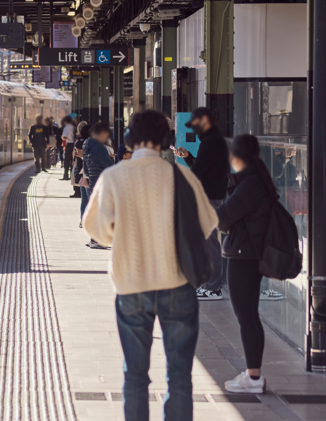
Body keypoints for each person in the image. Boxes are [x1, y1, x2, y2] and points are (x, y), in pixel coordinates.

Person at [84, 110, 218, 421]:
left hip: (131, 286)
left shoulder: (115, 176)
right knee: (180, 377)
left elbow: (96, 229)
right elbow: (209, 223)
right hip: (179, 286)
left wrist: (124, 234)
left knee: (134, 375)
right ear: (167, 140)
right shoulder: (182, 176)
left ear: (129, 139)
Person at [215, 134, 279, 393]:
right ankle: (254, 375)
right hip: (249, 254)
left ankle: (253, 378)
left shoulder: (250, 184)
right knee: (249, 316)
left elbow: (223, 216)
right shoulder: (255, 179)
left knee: (246, 317)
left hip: (244, 256)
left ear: (238, 156)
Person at [173, 107, 229, 300]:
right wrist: (187, 157)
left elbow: (198, 170)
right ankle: (209, 284)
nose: (194, 130)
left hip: (209, 196)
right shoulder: (212, 140)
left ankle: (213, 287)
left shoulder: (212, 142)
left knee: (209, 241)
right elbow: (200, 167)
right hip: (210, 195)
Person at [82, 122, 114, 248]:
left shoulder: (86, 145)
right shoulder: (100, 147)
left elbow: (85, 166)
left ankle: (93, 238)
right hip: (102, 180)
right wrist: (112, 158)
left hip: (92, 181)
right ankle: (97, 239)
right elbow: (108, 165)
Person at [73, 123, 90, 213]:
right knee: (89, 200)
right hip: (88, 175)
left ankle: (82, 220)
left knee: (84, 200)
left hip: (82, 172)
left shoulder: (78, 141)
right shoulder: (89, 143)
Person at [61, 116, 76, 180]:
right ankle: (72, 175)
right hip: (74, 145)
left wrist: (61, 137)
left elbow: (64, 137)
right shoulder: (74, 126)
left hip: (69, 145)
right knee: (73, 160)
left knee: (67, 161)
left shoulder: (66, 127)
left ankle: (66, 175)